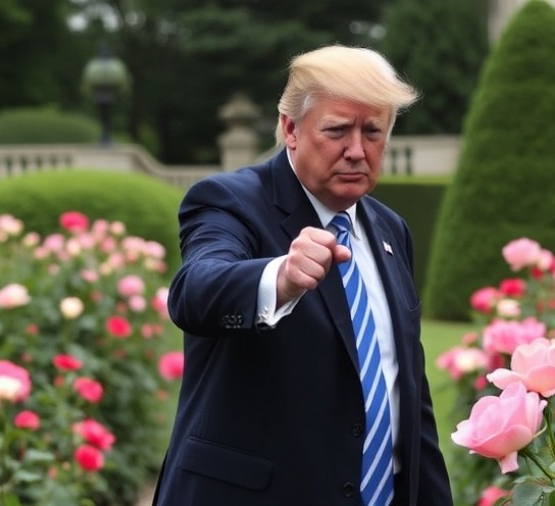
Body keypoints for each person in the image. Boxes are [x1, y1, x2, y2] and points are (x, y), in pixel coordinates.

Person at [153, 45, 452, 506]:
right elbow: (196, 291)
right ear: (291, 129)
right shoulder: (229, 201)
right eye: (337, 131)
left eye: (373, 132)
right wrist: (280, 278)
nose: (357, 150)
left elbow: (406, 393)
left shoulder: (392, 230)